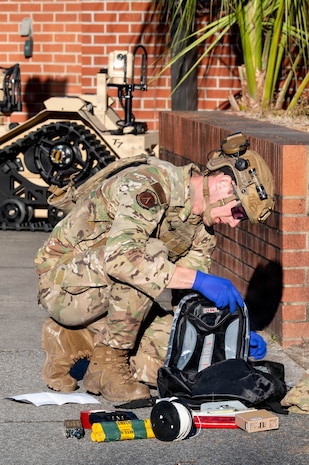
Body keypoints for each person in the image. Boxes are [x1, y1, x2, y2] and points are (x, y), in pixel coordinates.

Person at [34, 132, 275, 402]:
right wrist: (199, 279)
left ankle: (73, 338)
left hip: (105, 295)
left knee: (180, 360)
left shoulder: (202, 232)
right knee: (148, 253)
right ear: (222, 183)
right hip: (63, 285)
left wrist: (231, 335)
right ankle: (108, 365)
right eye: (238, 212)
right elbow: (122, 258)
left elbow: (188, 304)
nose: (234, 224)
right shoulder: (151, 183)